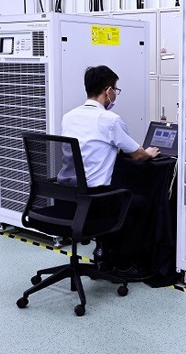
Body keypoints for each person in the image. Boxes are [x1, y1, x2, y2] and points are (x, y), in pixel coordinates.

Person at [59, 65, 160, 280]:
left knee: (121, 199)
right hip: (96, 200)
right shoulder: (110, 120)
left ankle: (104, 256)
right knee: (141, 204)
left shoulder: (69, 117)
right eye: (116, 89)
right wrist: (149, 153)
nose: (115, 94)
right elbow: (138, 155)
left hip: (68, 199)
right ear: (108, 90)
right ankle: (124, 265)